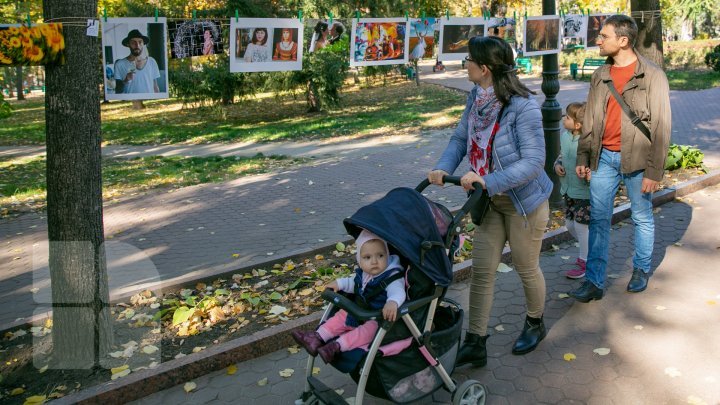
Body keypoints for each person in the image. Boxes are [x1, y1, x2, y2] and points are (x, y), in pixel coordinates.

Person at [427, 36, 552, 367]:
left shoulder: (522, 107)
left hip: (524, 202)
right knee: (482, 271)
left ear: (484, 68)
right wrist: (442, 168)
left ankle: (535, 322)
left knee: (526, 266)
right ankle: (476, 341)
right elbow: (459, 139)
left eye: (468, 59)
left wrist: (489, 179)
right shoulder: (476, 98)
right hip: (488, 201)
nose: (464, 63)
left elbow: (534, 161)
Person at [569, 15, 671, 302]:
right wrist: (584, 155)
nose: (598, 40)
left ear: (623, 40)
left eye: (604, 36)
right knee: (599, 219)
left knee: (641, 216)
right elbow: (590, 119)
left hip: (638, 161)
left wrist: (654, 171)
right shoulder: (600, 75)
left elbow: (662, 126)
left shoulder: (652, 75)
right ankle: (594, 282)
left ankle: (640, 269)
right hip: (603, 159)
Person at [290, 229, 406, 364]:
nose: (374, 261)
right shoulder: (364, 273)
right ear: (360, 260)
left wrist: (392, 302)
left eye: (380, 255)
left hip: (379, 318)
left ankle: (336, 346)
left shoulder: (392, 276)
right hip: (361, 311)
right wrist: (339, 284)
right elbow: (354, 284)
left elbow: (397, 291)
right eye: (367, 257)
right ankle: (316, 337)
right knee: (342, 315)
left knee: (367, 332)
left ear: (387, 254)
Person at [554, 102, 591, 279]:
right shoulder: (565, 136)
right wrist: (557, 165)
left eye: (567, 117)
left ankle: (584, 261)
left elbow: (591, 164)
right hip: (568, 189)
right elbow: (561, 156)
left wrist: (589, 174)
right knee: (569, 225)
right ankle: (591, 251)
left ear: (577, 124)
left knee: (581, 226)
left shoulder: (587, 140)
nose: (564, 119)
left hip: (584, 192)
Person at [114, 29, 160, 94]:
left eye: (140, 42)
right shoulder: (119, 64)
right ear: (128, 44)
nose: (137, 45)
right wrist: (126, 80)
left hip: (149, 102)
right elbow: (118, 91)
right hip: (129, 102)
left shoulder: (151, 62)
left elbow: (155, 87)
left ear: (143, 44)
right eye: (133, 42)